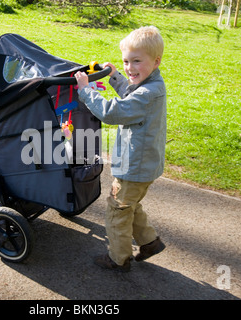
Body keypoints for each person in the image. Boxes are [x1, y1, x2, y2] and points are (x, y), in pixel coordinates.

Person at [74, 26, 167, 272]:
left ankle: (118, 258)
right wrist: (114, 76)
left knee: (117, 210)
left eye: (137, 61)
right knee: (130, 205)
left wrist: (85, 91)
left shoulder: (147, 94)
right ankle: (150, 242)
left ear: (156, 61)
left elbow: (112, 112)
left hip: (134, 167)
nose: (130, 68)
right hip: (145, 164)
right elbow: (130, 93)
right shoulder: (152, 84)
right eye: (126, 61)